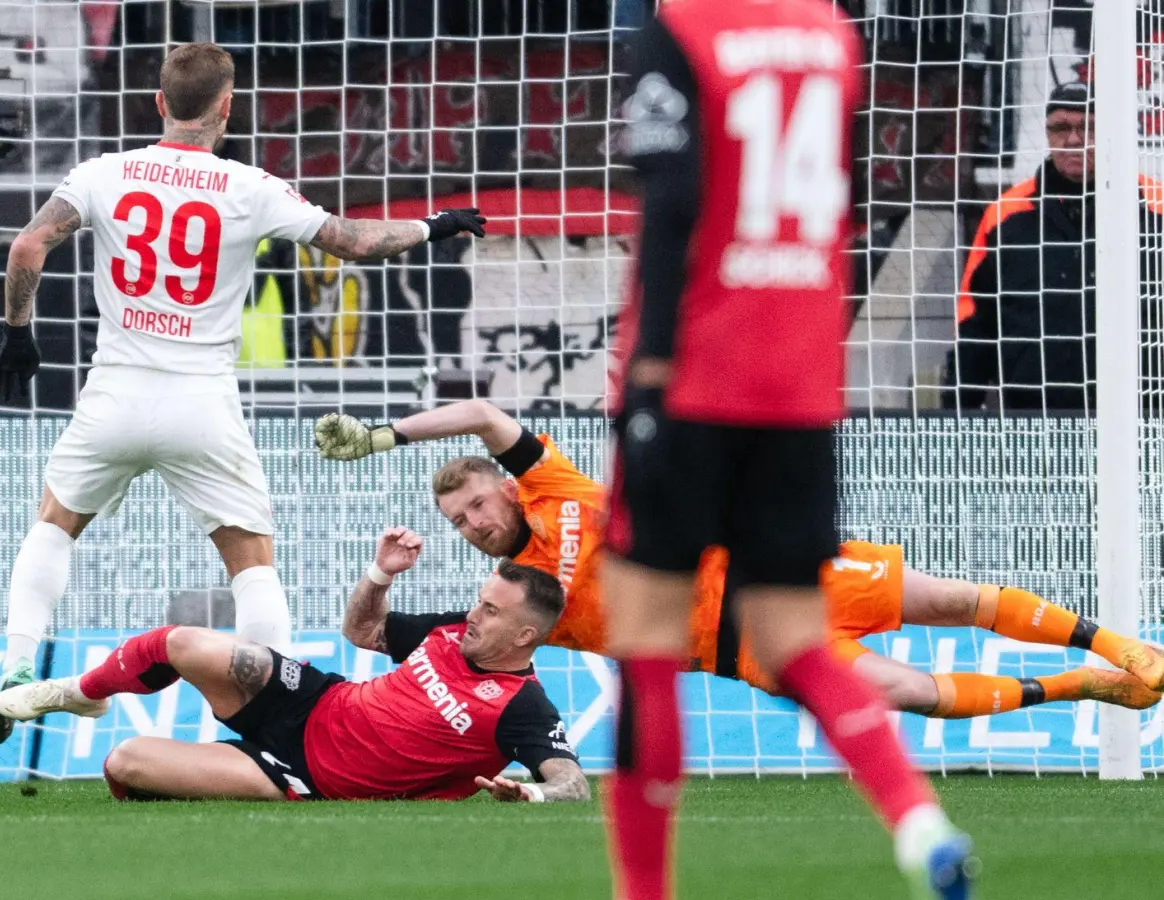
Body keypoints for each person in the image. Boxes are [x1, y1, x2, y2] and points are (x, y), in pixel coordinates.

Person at [0, 41, 487, 746]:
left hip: (115, 392)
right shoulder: (249, 186)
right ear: (227, 106)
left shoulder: (103, 173)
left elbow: (27, 247)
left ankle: (16, 665)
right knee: (251, 562)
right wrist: (435, 226)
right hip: (201, 401)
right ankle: (268, 728)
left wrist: (17, 335)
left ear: (159, 103)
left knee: (54, 525)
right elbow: (353, 242)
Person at [614, 3, 971, 897]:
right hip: (801, 391)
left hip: (694, 376)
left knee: (648, 648)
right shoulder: (830, 35)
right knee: (798, 643)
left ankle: (644, 890)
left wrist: (650, 375)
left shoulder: (682, 34)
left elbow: (673, 203)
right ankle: (915, 817)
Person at [315, 400, 1164, 718]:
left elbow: (480, 411)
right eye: (459, 526)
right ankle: (1085, 686)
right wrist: (382, 573)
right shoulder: (509, 604)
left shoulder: (558, 490)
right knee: (905, 694)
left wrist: (383, 435)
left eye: (474, 508)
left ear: (502, 489)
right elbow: (366, 634)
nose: (472, 528)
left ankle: (1109, 643)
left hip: (776, 572)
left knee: (946, 601)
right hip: (742, 651)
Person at [0, 527, 587, 802]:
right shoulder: (453, 631)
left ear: (525, 634)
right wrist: (380, 575)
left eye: (490, 609)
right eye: (479, 601)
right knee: (181, 642)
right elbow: (360, 630)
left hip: (311, 776)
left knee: (126, 762)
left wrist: (531, 796)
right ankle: (78, 692)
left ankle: (201, 778)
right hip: (317, 700)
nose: (474, 614)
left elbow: (573, 783)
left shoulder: (524, 706)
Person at [948, 82, 1164, 412]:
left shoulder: (1156, 207)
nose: (1074, 139)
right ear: (1048, 135)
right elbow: (975, 322)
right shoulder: (1005, 215)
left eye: (1087, 127)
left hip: (1145, 418)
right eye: (1060, 128)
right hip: (1034, 419)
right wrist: (955, 416)